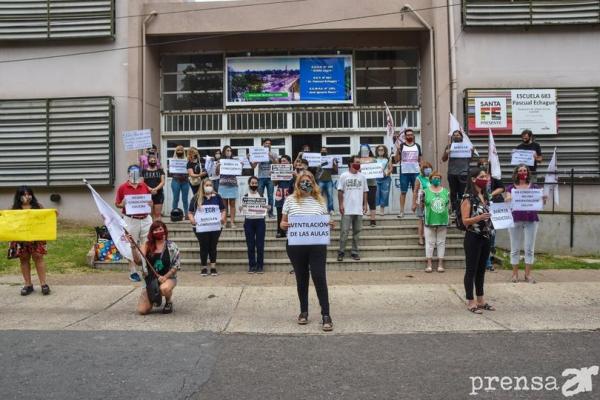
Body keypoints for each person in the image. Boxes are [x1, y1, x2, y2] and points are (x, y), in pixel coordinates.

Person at [280, 170, 334, 331]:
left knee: (319, 276)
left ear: (313, 183)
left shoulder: (320, 200)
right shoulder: (290, 200)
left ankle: (326, 314)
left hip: (317, 244)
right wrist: (284, 226)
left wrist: (329, 225)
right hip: (296, 245)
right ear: (298, 183)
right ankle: (303, 312)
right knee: (301, 278)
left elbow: (325, 221)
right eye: (303, 181)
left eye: (309, 181)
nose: (306, 183)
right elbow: (283, 223)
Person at [460, 167, 494, 314]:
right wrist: (479, 217)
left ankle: (481, 300)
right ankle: (470, 301)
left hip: (485, 236)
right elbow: (465, 221)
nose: (485, 178)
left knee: (481, 270)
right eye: (482, 176)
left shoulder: (486, 196)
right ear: (474, 179)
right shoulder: (468, 198)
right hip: (473, 236)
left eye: (486, 176)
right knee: (471, 270)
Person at [505, 164, 546, 284]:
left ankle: (528, 275)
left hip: (531, 219)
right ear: (516, 173)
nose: (523, 172)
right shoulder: (511, 188)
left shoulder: (535, 187)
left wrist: (544, 198)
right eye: (520, 170)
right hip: (515, 219)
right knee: (515, 248)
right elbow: (507, 199)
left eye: (524, 170)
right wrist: (508, 198)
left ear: (528, 173)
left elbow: (540, 203)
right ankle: (514, 274)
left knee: (529, 248)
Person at [129, 221, 180, 315]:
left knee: (164, 288)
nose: (158, 231)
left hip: (168, 278)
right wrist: (133, 247)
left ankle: (168, 302)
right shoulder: (147, 245)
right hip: (150, 280)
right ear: (151, 233)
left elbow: (176, 265)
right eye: (155, 230)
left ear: (164, 230)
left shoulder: (172, 246)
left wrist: (165, 277)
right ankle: (154, 296)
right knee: (142, 310)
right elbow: (138, 261)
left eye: (160, 229)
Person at [9, 186, 51, 296]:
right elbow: (10, 222)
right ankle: (28, 284)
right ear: (19, 196)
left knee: (38, 257)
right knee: (24, 259)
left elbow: (46, 218)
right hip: (21, 238)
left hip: (37, 238)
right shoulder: (14, 209)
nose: (27, 196)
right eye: (24, 194)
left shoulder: (38, 207)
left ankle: (43, 284)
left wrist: (53, 215)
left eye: (29, 194)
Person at [115, 164, 153, 282]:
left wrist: (150, 203)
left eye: (137, 172)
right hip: (131, 220)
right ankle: (133, 271)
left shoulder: (144, 186)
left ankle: (145, 269)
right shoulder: (122, 187)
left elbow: (149, 200)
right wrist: (123, 203)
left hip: (146, 219)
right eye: (132, 172)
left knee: (146, 244)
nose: (134, 174)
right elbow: (117, 204)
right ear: (129, 173)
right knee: (130, 244)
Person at [188, 178, 226, 276]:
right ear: (202, 186)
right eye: (207, 185)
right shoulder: (196, 197)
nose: (208, 187)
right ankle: (204, 267)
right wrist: (192, 219)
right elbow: (190, 212)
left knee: (213, 246)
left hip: (215, 226)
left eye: (210, 185)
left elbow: (223, 210)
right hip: (201, 227)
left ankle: (213, 267)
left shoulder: (217, 197)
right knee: (203, 246)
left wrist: (222, 218)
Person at [337, 155, 368, 261]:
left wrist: (365, 204)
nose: (358, 164)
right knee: (344, 231)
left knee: (357, 231)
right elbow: (340, 191)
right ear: (350, 163)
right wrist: (341, 204)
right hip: (347, 208)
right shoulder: (344, 176)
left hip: (358, 209)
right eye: (356, 162)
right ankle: (341, 252)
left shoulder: (362, 176)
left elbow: (365, 191)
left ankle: (354, 252)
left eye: (359, 162)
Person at [477, 158, 505, 271]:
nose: (483, 166)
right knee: (484, 234)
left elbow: (502, 188)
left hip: (495, 207)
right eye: (481, 165)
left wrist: (491, 194)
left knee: (492, 234)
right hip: (482, 208)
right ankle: (485, 262)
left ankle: (488, 259)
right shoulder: (478, 178)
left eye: (485, 164)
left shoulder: (494, 177)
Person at [422, 171, 450, 273]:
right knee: (429, 243)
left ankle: (440, 264)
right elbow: (421, 205)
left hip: (442, 221)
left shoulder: (446, 191)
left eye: (438, 178)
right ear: (430, 179)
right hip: (429, 221)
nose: (436, 179)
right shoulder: (424, 191)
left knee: (441, 242)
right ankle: (429, 264)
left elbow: (448, 206)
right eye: (434, 177)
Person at [442, 130, 473, 214]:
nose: (456, 136)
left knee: (462, 193)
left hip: (464, 173)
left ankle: (462, 211)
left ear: (462, 137)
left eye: (458, 135)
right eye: (454, 135)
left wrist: (471, 151)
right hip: (452, 173)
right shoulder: (449, 146)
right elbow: (443, 159)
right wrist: (446, 153)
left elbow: (471, 159)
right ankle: (454, 210)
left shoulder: (467, 146)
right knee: (453, 192)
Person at [241, 176, 268, 274]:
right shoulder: (245, 196)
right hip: (249, 222)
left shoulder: (262, 195)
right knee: (250, 245)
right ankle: (252, 266)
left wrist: (267, 208)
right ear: (249, 184)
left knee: (260, 245)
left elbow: (266, 207)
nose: (254, 185)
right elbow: (242, 209)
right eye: (252, 183)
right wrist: (241, 208)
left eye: (256, 183)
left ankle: (260, 266)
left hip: (260, 221)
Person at [394, 129, 422, 218]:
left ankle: (418, 210)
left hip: (416, 172)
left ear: (413, 136)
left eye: (411, 135)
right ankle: (401, 211)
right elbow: (396, 160)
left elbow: (420, 159)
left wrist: (421, 169)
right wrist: (397, 151)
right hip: (404, 172)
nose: (410, 136)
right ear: (405, 136)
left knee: (417, 192)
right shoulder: (401, 146)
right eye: (408, 135)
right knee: (403, 192)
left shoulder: (417, 146)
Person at [252, 138, 278, 219]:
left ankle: (270, 213)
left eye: (269, 143)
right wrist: (256, 160)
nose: (268, 144)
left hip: (270, 178)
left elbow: (277, 165)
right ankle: (260, 212)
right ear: (263, 144)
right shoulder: (259, 153)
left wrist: (271, 157)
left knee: (270, 196)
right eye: (266, 143)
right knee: (260, 195)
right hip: (261, 177)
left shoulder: (273, 154)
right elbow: (253, 166)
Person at [215, 145, 239, 228]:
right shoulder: (220, 161)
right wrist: (218, 166)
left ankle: (232, 222)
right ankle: (224, 222)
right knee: (224, 205)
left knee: (232, 204)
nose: (229, 152)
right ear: (224, 152)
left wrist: (240, 165)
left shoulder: (235, 161)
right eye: (227, 150)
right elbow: (217, 173)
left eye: (230, 150)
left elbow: (238, 172)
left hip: (233, 185)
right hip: (223, 185)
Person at [412, 161, 433, 246]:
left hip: (431, 202)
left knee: (429, 220)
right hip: (421, 202)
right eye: (425, 169)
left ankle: (428, 237)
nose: (428, 170)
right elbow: (415, 191)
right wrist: (413, 203)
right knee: (421, 220)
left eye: (429, 168)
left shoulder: (433, 178)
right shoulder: (419, 178)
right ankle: (420, 237)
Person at [274, 155, 295, 238]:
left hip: (290, 194)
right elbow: (275, 184)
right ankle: (280, 232)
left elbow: (297, 183)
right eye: (281, 161)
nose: (283, 162)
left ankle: (290, 231)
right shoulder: (277, 171)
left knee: (290, 213)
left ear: (289, 162)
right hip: (280, 194)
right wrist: (273, 176)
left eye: (285, 161)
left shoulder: (293, 171)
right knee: (280, 213)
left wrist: (295, 175)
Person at [359, 144, 378, 227]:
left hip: (372, 184)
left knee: (372, 201)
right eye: (363, 150)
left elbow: (377, 170)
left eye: (366, 150)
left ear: (369, 150)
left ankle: (373, 220)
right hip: (360, 184)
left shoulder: (374, 160)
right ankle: (359, 220)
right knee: (360, 202)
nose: (364, 151)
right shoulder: (358, 160)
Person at [142, 153, 165, 221]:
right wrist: (150, 189)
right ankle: (151, 230)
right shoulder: (144, 171)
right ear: (148, 161)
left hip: (159, 194)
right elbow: (142, 182)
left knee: (157, 214)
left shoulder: (160, 170)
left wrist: (155, 189)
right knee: (149, 214)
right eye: (151, 160)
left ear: (156, 161)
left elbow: (163, 182)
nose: (153, 162)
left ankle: (158, 229)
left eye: (154, 160)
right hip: (147, 194)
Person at [316, 147, 338, 215]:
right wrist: (318, 166)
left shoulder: (330, 160)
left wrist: (334, 163)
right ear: (320, 152)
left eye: (325, 151)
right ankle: (320, 210)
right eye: (322, 151)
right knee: (319, 196)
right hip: (320, 180)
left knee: (330, 196)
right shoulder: (317, 160)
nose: (323, 152)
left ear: (327, 152)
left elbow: (336, 171)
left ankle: (331, 209)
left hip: (329, 180)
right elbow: (316, 172)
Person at [170, 145, 190, 217]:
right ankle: (174, 214)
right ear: (176, 151)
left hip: (185, 181)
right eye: (178, 150)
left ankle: (187, 215)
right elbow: (170, 173)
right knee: (176, 198)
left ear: (183, 151)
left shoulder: (187, 160)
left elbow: (189, 170)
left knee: (185, 199)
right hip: (176, 181)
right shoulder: (172, 160)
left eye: (181, 150)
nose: (180, 152)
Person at [374, 144, 394, 216]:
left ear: (384, 151)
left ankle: (382, 210)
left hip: (385, 179)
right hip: (376, 179)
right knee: (375, 194)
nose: (380, 151)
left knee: (384, 194)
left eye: (382, 150)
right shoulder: (374, 160)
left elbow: (391, 168)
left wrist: (387, 173)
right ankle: (373, 210)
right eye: (379, 150)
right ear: (377, 151)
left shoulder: (388, 159)